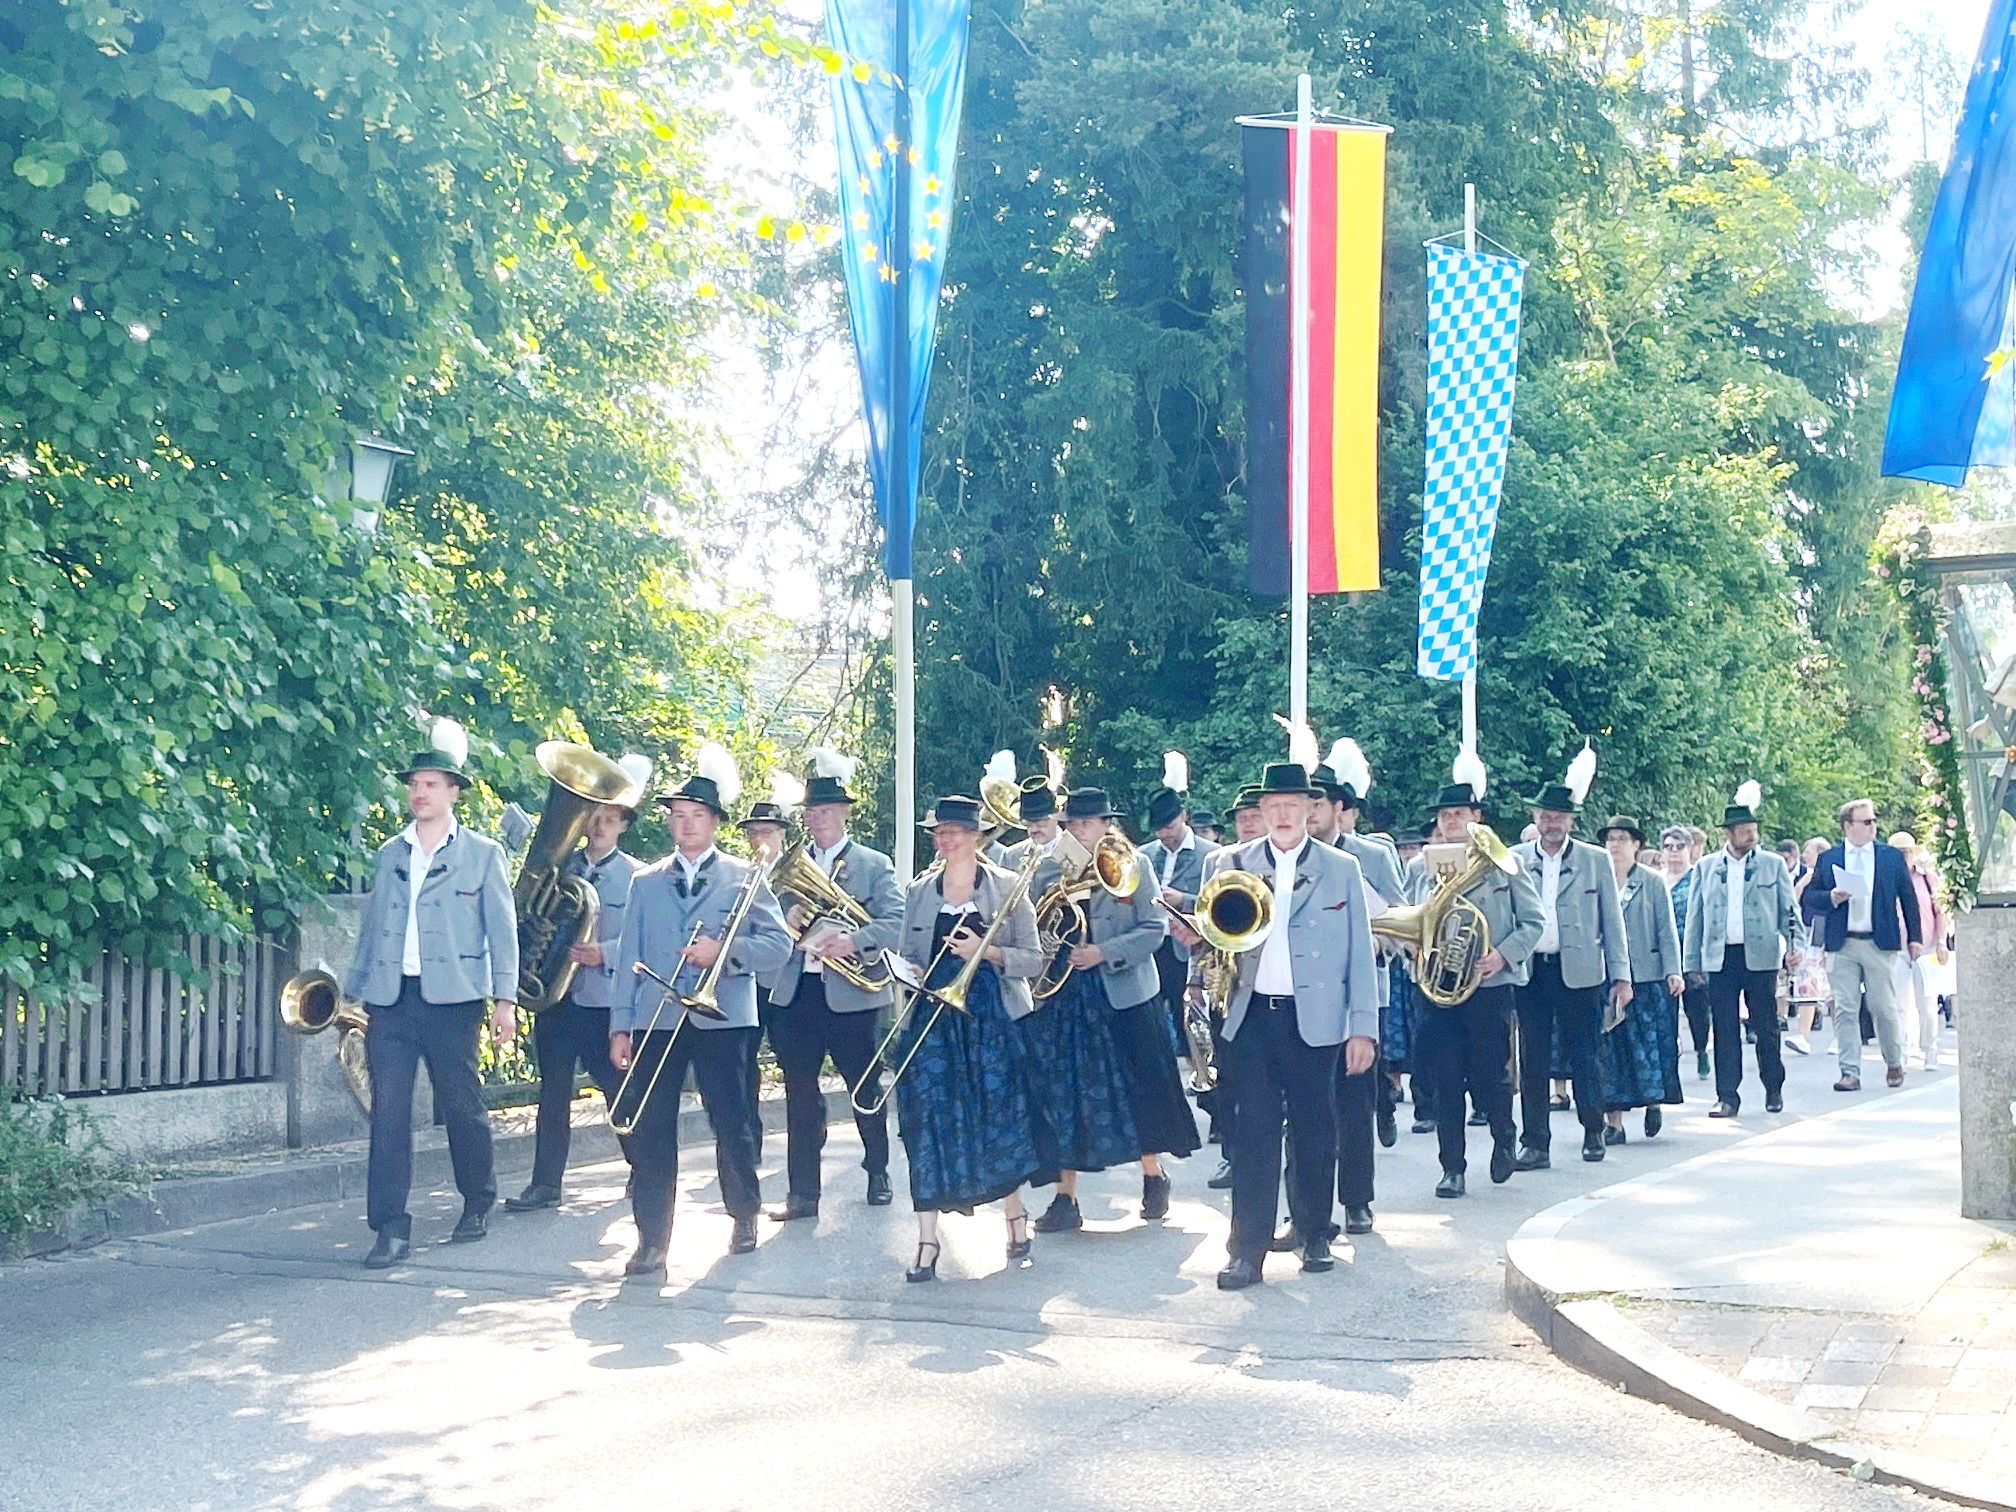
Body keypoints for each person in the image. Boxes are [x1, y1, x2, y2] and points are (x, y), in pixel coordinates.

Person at [1171, 761, 1377, 1289]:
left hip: (1317, 1021)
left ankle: (1313, 1233)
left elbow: (1360, 953)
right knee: (1252, 1135)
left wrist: (1363, 1028)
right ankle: (1246, 1251)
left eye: (1293, 805)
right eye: (1273, 806)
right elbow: (1211, 939)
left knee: (1316, 1132)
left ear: (1310, 809)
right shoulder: (1227, 861)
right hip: (1249, 1017)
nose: (1283, 815)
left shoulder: (1341, 868)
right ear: (1260, 812)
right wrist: (1194, 947)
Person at [609, 748, 791, 1278]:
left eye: (697, 816)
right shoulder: (645, 882)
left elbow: (778, 944)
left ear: (714, 823)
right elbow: (628, 958)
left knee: (731, 1120)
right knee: (651, 1129)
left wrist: (725, 955)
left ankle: (744, 1214)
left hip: (723, 1017)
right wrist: (620, 1025)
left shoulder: (743, 875)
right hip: (657, 1015)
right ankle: (651, 1240)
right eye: (678, 815)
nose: (686, 824)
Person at [343, 733, 519, 1269]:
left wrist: (505, 999)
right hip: (391, 1000)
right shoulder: (389, 853)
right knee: (388, 1114)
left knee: (461, 1105)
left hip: (454, 999)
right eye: (415, 784)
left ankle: (478, 1199)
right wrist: (351, 994)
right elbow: (373, 927)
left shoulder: (482, 854)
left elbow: (502, 931)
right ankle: (390, 1227)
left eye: (432, 784)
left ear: (453, 792)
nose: (420, 793)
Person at [873, 795, 1049, 1282]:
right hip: (933, 1015)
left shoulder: (1007, 885)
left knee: (998, 1116)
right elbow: (909, 952)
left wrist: (986, 951)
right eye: (939, 832)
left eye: (954, 831)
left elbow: (1033, 958)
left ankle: (1014, 1216)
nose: (945, 839)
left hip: (991, 1016)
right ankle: (927, 1240)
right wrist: (906, 970)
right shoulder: (919, 890)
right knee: (927, 1119)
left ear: (976, 836)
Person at [1029, 788, 1198, 1232]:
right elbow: (1034, 924)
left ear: (1107, 825)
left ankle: (1153, 1174)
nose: (1078, 830)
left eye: (1087, 823)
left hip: (1123, 992)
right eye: (1072, 824)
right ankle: (1064, 1198)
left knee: (1138, 1086)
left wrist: (1103, 952)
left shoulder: (1134, 863)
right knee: (1066, 1094)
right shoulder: (1051, 866)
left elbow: (1154, 928)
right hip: (1066, 993)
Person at [761, 751, 905, 1220]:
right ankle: (803, 1194)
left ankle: (878, 1170)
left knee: (864, 1089)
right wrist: (786, 916)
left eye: (826, 810)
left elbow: (897, 921)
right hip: (796, 991)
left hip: (853, 994)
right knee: (800, 1095)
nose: (817, 818)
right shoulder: (789, 866)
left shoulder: (873, 863)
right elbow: (766, 921)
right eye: (811, 811)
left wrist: (853, 941)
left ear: (844, 813)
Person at [1406, 770, 1543, 1198]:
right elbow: (1408, 916)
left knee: (1491, 1075)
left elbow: (1534, 921)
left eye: (1459, 814)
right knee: (1446, 1080)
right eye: (1444, 815)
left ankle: (1504, 1136)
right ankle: (1453, 1168)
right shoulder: (1420, 867)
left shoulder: (1505, 864)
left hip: (1488, 985)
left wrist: (1501, 955)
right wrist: (1411, 946)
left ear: (1475, 817)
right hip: (1437, 987)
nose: (1450, 821)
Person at [504, 797, 639, 1213]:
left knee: (617, 1088)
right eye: (594, 817)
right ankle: (545, 1184)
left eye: (610, 819)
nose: (600, 826)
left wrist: (606, 953)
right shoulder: (561, 869)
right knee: (553, 1092)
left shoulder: (637, 876)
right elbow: (532, 917)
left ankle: (643, 1165)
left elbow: (646, 938)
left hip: (603, 1000)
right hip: (555, 997)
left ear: (623, 826)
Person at [1509, 773, 1631, 1169]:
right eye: (1546, 816)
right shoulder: (1514, 858)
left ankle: (1593, 1130)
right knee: (1532, 1059)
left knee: (1585, 1055)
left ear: (1571, 820)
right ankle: (1535, 1143)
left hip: (1580, 970)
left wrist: (1622, 976)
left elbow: (1612, 921)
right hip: (1531, 970)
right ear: (1535, 817)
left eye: (1559, 816)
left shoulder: (1594, 859)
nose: (1552, 823)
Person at [1311, 741, 1407, 1233]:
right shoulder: (1287, 857)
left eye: (1318, 803)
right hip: (1303, 996)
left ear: (1339, 808)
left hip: (1359, 996)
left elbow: (1401, 919)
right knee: (1305, 1107)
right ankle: (1307, 1206)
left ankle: (1356, 1200)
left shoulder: (1373, 855)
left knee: (1354, 1104)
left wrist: (1377, 941)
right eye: (1304, 802)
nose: (1309, 812)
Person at [1682, 783, 1799, 1118]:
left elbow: (1789, 911)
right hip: (1721, 957)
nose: (1751, 835)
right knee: (1724, 1027)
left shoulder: (1772, 864)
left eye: (1753, 829)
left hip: (1760, 955)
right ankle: (1727, 1096)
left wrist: (1794, 947)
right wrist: (1692, 961)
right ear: (1729, 833)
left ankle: (1773, 1086)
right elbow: (1695, 916)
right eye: (1745, 830)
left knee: (1766, 1025)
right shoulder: (1706, 867)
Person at [1802, 800, 1921, 1092]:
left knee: (1884, 1007)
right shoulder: (1829, 858)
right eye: (1866, 822)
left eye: (1873, 820)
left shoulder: (1889, 857)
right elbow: (1809, 898)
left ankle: (1894, 1061)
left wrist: (1914, 938)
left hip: (1878, 942)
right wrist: (1831, 896)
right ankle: (1849, 1071)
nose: (1872, 826)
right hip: (1842, 943)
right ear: (1848, 826)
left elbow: (1908, 897)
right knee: (1845, 1009)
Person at [1594, 817, 1683, 1143]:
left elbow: (1666, 929)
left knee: (1648, 1046)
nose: (1615, 845)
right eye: (1610, 839)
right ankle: (1614, 1123)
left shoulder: (1652, 881)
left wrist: (1674, 970)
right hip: (1607, 975)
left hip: (1646, 975)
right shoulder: (1598, 878)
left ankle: (1653, 1102)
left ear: (1636, 844)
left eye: (1622, 838)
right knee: (1610, 1050)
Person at [1891, 831, 1947, 1071]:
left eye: (1906, 852)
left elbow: (1941, 911)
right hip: (1896, 948)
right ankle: (1901, 1053)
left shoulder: (1927, 878)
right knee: (1899, 1005)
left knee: (1927, 1005)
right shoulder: (1887, 879)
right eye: (1899, 853)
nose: (1904, 856)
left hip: (1926, 946)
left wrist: (1942, 941)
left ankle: (1930, 1051)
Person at [1661, 824, 1712, 1080]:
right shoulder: (1656, 880)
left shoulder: (1697, 879)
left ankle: (1701, 1048)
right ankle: (1670, 1054)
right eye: (1668, 846)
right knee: (1665, 1007)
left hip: (1690, 948)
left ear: (1690, 849)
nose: (1674, 851)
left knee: (1696, 1006)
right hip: (1662, 952)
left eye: (1680, 846)